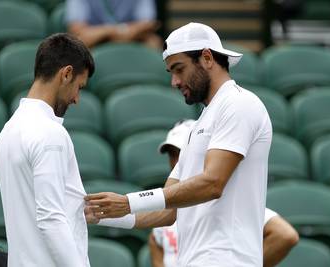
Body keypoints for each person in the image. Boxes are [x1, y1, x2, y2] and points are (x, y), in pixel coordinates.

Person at [85, 22, 273, 266]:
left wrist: (129, 201)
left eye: (179, 69)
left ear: (207, 58)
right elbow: (167, 211)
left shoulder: (239, 104)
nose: (174, 81)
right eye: (171, 72)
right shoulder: (199, 126)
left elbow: (213, 183)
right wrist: (99, 215)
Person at [0, 33, 95, 267]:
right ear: (66, 74)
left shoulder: (9, 130)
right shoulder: (49, 132)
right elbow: (51, 219)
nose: (76, 99)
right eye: (78, 87)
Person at [149, 120, 299, 267]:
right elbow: (156, 241)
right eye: (172, 155)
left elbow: (285, 235)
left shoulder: (229, 201)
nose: (177, 162)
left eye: (183, 154)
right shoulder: (163, 215)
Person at [65, 0, 162, 49]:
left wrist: (115, 33)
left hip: (133, 38)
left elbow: (148, 24)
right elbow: (77, 31)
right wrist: (117, 31)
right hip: (96, 41)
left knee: (153, 41)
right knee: (79, 43)